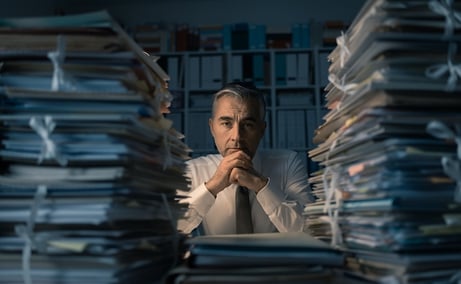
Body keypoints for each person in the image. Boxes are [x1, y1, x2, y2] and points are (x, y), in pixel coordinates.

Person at [177, 81, 313, 235]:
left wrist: (260, 185)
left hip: (274, 259)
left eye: (248, 125)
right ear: (212, 128)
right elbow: (170, 228)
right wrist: (212, 186)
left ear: (262, 130)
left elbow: (310, 231)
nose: (237, 137)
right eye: (227, 123)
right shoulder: (192, 170)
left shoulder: (288, 163)